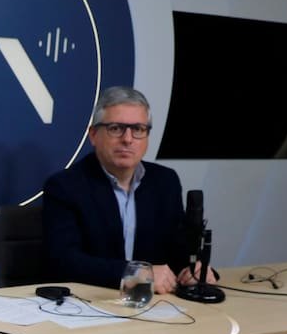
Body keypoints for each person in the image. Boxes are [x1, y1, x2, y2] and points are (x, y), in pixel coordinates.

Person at [42, 86, 216, 293]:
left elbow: (178, 251)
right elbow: (64, 261)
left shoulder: (165, 182)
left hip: (156, 303)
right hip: (90, 301)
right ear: (93, 135)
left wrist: (195, 270)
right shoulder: (65, 186)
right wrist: (134, 274)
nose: (127, 139)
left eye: (138, 129)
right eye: (116, 128)